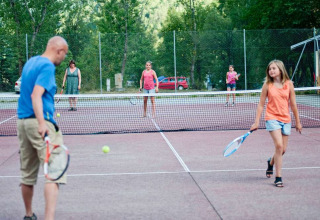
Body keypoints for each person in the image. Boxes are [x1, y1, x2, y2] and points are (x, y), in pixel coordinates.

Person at [17, 36, 68, 220]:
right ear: (59, 50)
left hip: (22, 123)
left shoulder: (31, 63)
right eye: (65, 54)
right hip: (40, 122)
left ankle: (29, 215)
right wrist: (41, 123)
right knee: (54, 171)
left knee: (27, 174)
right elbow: (36, 95)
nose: (64, 58)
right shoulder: (47, 67)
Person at [250, 60, 302, 187]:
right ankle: (278, 177)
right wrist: (256, 121)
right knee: (279, 146)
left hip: (286, 119)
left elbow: (293, 104)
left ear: (280, 69)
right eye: (269, 69)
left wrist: (298, 122)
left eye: (273, 68)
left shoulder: (289, 84)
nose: (271, 71)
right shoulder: (267, 85)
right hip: (272, 118)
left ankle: (271, 162)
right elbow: (261, 104)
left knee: (283, 150)